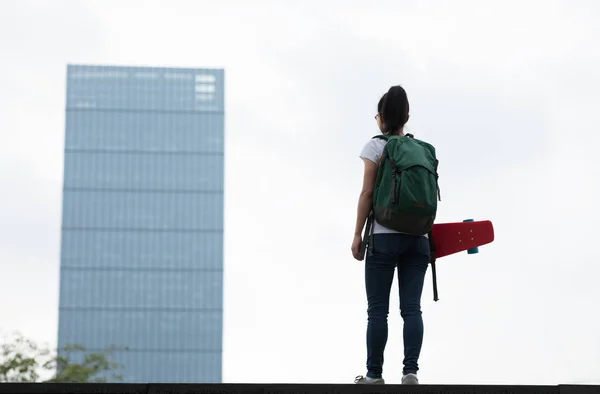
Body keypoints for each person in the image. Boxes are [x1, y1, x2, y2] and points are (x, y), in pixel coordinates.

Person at [351, 85, 436, 385]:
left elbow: (367, 193)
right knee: (412, 307)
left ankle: (374, 376)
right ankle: (410, 371)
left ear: (381, 118)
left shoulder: (375, 146)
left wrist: (358, 234)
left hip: (383, 238)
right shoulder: (423, 150)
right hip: (419, 240)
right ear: (407, 117)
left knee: (377, 311)